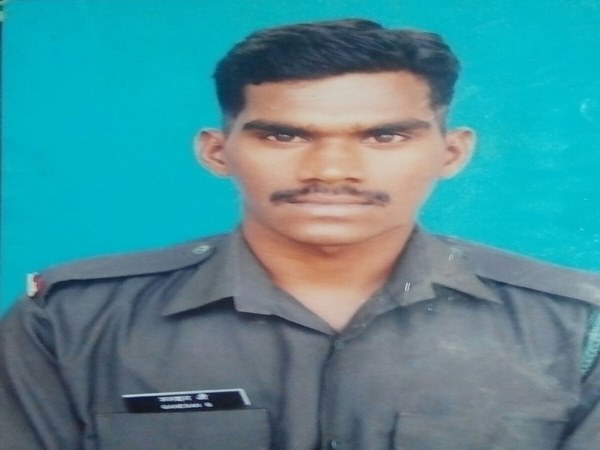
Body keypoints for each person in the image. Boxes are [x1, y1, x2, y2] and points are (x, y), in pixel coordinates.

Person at [1, 18, 600, 450]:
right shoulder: (71, 321)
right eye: (284, 135)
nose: (331, 171)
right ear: (217, 151)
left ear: (451, 152)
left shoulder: (578, 327)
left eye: (384, 136)